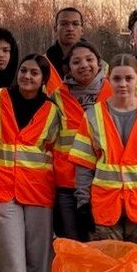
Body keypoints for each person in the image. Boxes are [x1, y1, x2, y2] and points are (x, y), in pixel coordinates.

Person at [71, 55, 137, 249]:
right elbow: (84, 164)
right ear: (108, 79)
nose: (122, 84)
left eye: (128, 78)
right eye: (117, 78)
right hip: (104, 209)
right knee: (109, 271)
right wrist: (83, 203)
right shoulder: (93, 115)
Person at [0, 54, 61, 272]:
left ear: (43, 79)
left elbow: (57, 148)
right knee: (10, 252)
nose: (27, 76)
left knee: (40, 253)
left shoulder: (52, 110)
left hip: (38, 191)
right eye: (23, 70)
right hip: (3, 188)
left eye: (34, 73)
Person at [50, 40, 111, 241]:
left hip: (105, 183)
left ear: (99, 62)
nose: (84, 65)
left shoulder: (113, 92)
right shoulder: (57, 96)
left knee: (102, 248)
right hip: (68, 184)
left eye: (89, 59)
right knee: (73, 245)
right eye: (76, 62)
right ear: (69, 67)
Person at [44, 6, 85, 92]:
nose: (70, 29)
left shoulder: (101, 66)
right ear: (55, 29)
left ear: (82, 30)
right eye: (64, 24)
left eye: (75, 24)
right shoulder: (42, 65)